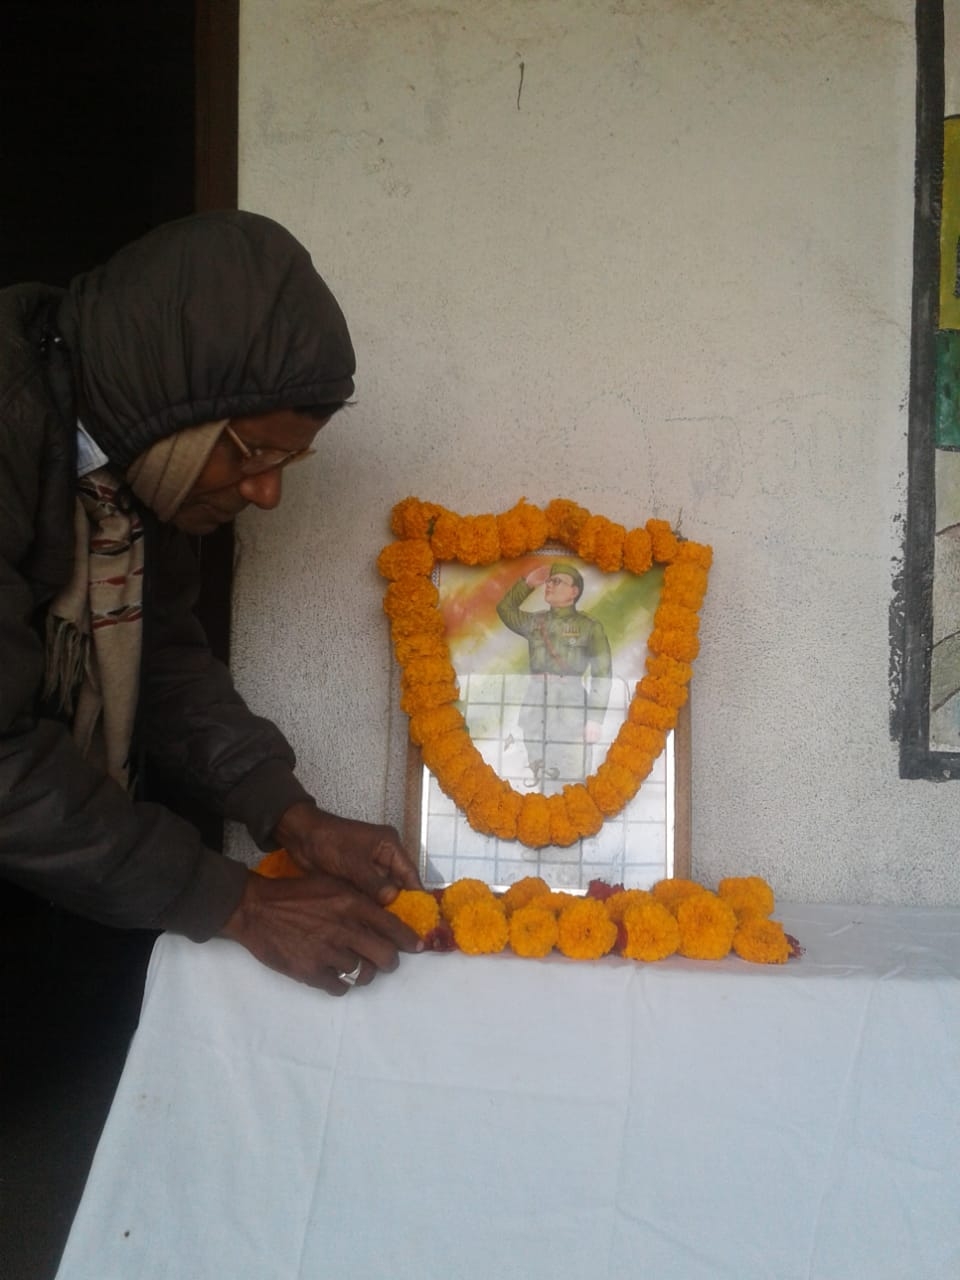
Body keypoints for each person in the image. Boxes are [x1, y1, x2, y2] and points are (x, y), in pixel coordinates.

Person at [0, 210, 422, 996]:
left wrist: (290, 816)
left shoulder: (134, 469)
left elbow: (159, 659)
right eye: (253, 454)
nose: (267, 493)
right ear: (171, 408)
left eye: (290, 460)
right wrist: (240, 903)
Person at [496, 562, 612, 783]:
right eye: (549, 581)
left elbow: (602, 674)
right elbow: (505, 609)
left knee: (573, 779)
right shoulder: (535, 622)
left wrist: (595, 719)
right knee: (540, 778)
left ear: (574, 591)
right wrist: (528, 584)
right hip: (536, 711)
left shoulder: (589, 627)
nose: (549, 585)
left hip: (572, 714)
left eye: (556, 581)